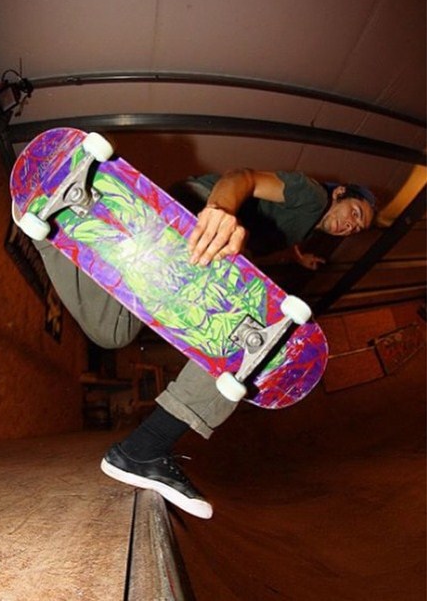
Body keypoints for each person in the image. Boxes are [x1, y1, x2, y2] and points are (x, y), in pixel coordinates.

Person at [31, 168, 376, 520]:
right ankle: (146, 447)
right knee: (253, 343)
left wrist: (294, 256)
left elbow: (264, 235)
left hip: (191, 236)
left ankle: (48, 224)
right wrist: (220, 210)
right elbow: (245, 178)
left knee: (111, 330)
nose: (350, 225)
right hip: (197, 219)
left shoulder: (304, 224)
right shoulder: (313, 196)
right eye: (355, 212)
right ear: (340, 193)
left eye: (356, 228)